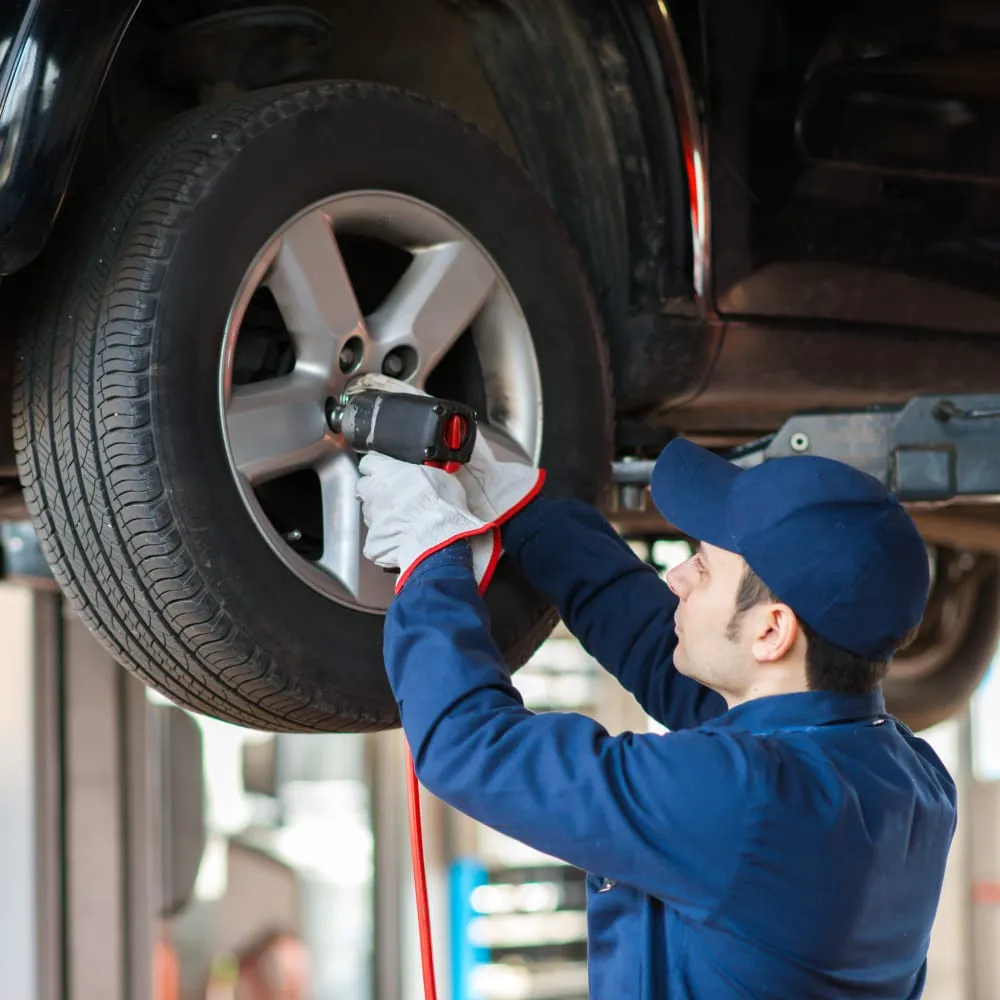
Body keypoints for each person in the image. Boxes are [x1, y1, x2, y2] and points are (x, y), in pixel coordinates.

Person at [355, 390, 957, 999]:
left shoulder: (747, 801)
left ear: (772, 631)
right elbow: (656, 648)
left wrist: (429, 555)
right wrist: (522, 511)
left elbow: (471, 747)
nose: (677, 577)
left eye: (701, 563)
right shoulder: (904, 779)